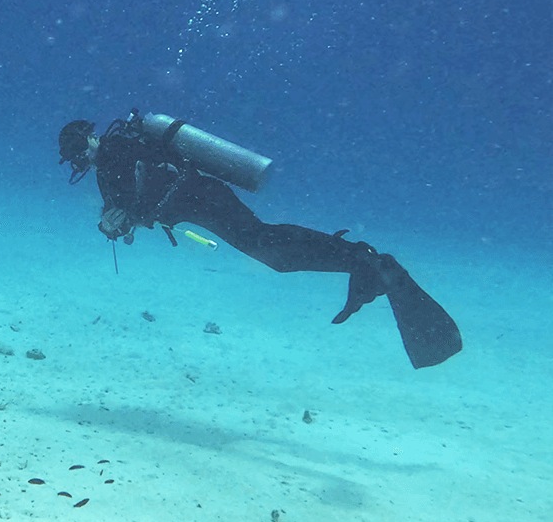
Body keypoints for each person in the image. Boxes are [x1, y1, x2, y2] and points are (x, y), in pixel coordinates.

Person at [58, 109, 461, 369]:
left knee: (269, 248)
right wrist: (113, 224)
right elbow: (131, 211)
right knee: (270, 249)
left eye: (79, 153)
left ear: (88, 140)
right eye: (76, 158)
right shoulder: (109, 165)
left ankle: (364, 260)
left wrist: (121, 218)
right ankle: (360, 260)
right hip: (197, 203)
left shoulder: (118, 152)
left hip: (202, 199)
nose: (81, 161)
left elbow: (138, 199)